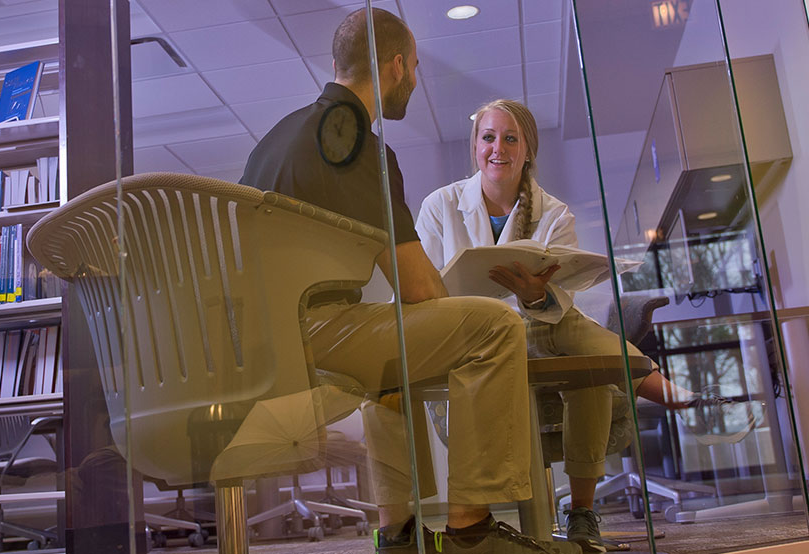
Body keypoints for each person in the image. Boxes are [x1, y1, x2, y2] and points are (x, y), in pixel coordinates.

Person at [240, 9, 578, 554]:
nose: (415, 80)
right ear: (397, 66)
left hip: (262, 344)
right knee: (491, 325)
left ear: (335, 66)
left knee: (392, 359)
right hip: (315, 335)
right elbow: (419, 289)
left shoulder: (274, 140)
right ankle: (471, 532)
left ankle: (395, 534)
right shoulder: (361, 148)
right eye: (416, 67)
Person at [414, 99, 722, 553]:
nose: (498, 148)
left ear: (527, 150)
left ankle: (582, 514)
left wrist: (535, 295)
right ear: (475, 145)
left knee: (590, 370)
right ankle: (653, 381)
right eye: (488, 137)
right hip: (473, 338)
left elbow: (561, 297)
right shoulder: (440, 206)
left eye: (510, 138)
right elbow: (427, 288)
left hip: (540, 327)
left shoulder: (553, 213)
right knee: (590, 354)